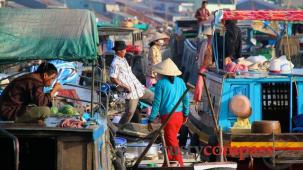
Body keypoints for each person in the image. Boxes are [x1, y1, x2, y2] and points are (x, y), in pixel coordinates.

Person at [147, 58, 190, 167]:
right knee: (168, 140)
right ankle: (168, 163)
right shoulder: (180, 81)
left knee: (172, 142)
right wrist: (186, 114)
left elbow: (156, 103)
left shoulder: (161, 84)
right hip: (179, 116)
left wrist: (151, 119)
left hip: (169, 117)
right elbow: (186, 99)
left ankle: (180, 165)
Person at [109, 40, 154, 126]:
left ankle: (159, 119)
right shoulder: (115, 63)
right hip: (131, 92)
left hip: (139, 88)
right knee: (129, 112)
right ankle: (120, 128)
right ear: (119, 51)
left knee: (155, 99)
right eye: (124, 50)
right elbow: (113, 78)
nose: (125, 51)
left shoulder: (123, 59)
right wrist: (124, 86)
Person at [194, 26, 213, 102]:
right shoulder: (205, 43)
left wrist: (200, 64)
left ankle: (199, 98)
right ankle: (199, 97)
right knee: (200, 83)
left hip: (208, 67)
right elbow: (201, 55)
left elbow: (201, 56)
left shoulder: (209, 43)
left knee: (201, 82)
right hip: (207, 66)